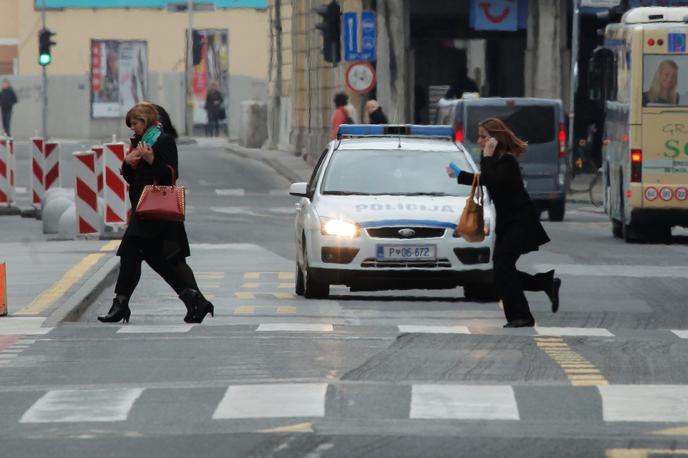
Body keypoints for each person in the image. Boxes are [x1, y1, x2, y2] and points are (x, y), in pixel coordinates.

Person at [98, 102, 214, 324]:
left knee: (157, 258)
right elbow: (135, 179)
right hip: (143, 210)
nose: (132, 128)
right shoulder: (139, 143)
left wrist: (151, 159)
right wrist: (127, 165)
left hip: (159, 213)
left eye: (135, 123)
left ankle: (121, 304)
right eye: (131, 124)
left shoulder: (163, 141)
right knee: (159, 260)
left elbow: (170, 175)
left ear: (146, 121)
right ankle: (195, 302)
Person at [446, 118, 561, 328]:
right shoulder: (498, 160)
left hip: (520, 222)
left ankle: (522, 315)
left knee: (503, 267)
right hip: (510, 222)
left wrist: (487, 157)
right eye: (480, 137)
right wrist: (461, 175)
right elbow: (488, 178)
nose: (480, 141)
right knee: (501, 269)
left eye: (483, 136)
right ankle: (543, 284)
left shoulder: (506, 160)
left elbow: (491, 179)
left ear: (495, 138)